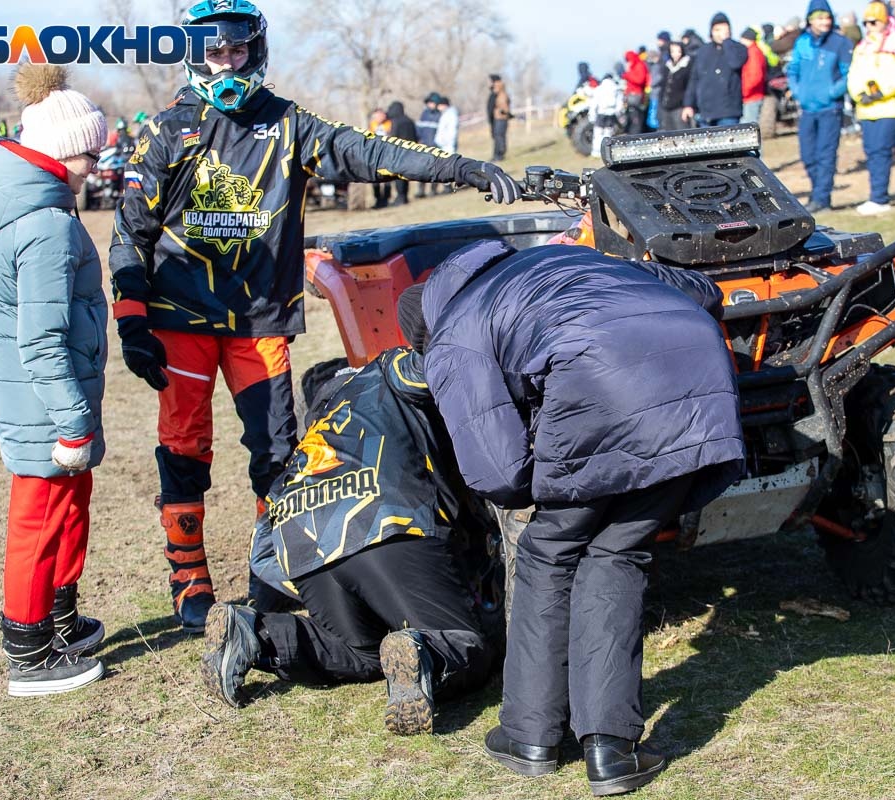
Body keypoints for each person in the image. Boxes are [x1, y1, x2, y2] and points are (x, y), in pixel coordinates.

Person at [109, 0, 523, 634]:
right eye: (215, 53)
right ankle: (188, 576)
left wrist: (459, 167)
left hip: (260, 319)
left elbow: (371, 151)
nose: (228, 64)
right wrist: (132, 318)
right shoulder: (171, 130)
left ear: (257, 51)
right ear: (194, 55)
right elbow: (129, 230)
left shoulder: (290, 125)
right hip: (181, 320)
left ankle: (271, 570)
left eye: (238, 51)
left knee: (275, 451)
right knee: (185, 449)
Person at [405, 241, 745, 795]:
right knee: (615, 553)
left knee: (548, 553)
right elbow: (701, 289)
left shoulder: (452, 335)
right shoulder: (557, 262)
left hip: (598, 383)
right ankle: (610, 751)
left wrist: (544, 470)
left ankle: (529, 736)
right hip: (696, 387)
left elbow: (498, 473)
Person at [202, 342, 496, 735]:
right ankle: (424, 650)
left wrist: (314, 577)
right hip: (386, 520)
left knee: (363, 652)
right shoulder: (389, 368)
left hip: (302, 538)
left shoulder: (315, 427)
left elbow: (263, 553)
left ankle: (256, 635)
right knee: (466, 644)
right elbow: (443, 364)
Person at [0, 63, 109, 696]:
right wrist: (72, 420)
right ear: (59, 150)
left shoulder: (36, 202)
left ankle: (58, 618)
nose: (97, 163)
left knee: (65, 508)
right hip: (45, 402)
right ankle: (28, 650)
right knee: (39, 518)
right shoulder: (44, 225)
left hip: (45, 395)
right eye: (89, 151)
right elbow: (41, 337)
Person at [788, 0, 855, 212]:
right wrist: (798, 91)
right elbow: (793, 69)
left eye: (826, 17)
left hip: (829, 109)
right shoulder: (802, 42)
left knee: (826, 155)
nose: (824, 21)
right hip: (807, 109)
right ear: (810, 20)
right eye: (819, 18)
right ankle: (818, 192)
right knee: (808, 155)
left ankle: (821, 198)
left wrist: (832, 93)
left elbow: (847, 74)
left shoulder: (840, 43)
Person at [848, 0, 895, 214]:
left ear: (885, 21)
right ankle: (876, 195)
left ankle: (879, 197)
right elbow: (853, 75)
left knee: (881, 150)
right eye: (866, 22)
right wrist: (859, 95)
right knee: (871, 151)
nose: (869, 26)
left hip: (892, 107)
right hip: (867, 109)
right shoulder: (862, 47)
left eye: (874, 22)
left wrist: (882, 92)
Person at [682, 13, 749, 127]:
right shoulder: (703, 51)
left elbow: (735, 63)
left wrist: (726, 41)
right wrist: (688, 104)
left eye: (724, 29)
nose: (720, 33)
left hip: (728, 112)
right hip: (705, 113)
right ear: (711, 31)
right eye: (717, 30)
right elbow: (694, 79)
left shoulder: (738, 48)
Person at [385, 101, 418, 205]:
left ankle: (401, 197)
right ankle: (404, 196)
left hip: (399, 152)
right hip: (410, 150)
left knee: (398, 176)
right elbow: (415, 137)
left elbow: (393, 137)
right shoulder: (410, 121)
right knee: (405, 176)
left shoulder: (396, 122)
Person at [589, 72, 625, 158]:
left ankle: (596, 151)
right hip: (611, 113)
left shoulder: (599, 89)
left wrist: (592, 115)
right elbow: (619, 103)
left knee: (598, 133)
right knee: (608, 133)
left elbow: (594, 103)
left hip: (601, 112)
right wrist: (619, 113)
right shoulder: (616, 88)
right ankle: (606, 152)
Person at [660, 41, 694, 131]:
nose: (675, 54)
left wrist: (687, 105)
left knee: (681, 133)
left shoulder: (687, 66)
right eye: (673, 51)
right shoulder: (667, 67)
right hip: (666, 106)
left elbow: (689, 87)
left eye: (678, 51)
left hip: (680, 108)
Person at [739, 27, 770, 125]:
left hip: (751, 96)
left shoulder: (752, 52)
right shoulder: (755, 51)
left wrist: (744, 92)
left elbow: (755, 76)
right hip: (752, 95)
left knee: (748, 127)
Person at [415, 92, 442, 198]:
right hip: (424, 145)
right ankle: (421, 190)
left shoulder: (440, 115)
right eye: (429, 102)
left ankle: (433, 189)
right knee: (421, 169)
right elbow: (419, 129)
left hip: (435, 146)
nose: (430, 105)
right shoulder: (424, 114)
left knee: (434, 169)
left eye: (432, 103)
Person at [435, 96, 460, 194]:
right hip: (444, 144)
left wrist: (447, 142)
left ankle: (449, 186)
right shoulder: (446, 114)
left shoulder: (451, 115)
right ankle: (447, 185)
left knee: (448, 166)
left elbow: (451, 131)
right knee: (445, 166)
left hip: (448, 145)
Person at [621, 49, 650, 134]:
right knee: (631, 117)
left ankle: (636, 135)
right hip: (631, 95)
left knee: (636, 118)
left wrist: (628, 75)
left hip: (637, 95)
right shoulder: (633, 66)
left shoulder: (639, 65)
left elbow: (640, 80)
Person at [488, 74, 511, 161]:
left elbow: (503, 105)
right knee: (497, 136)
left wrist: (502, 111)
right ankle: (496, 155)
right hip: (497, 117)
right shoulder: (498, 92)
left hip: (500, 118)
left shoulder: (499, 91)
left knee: (499, 136)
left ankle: (499, 155)